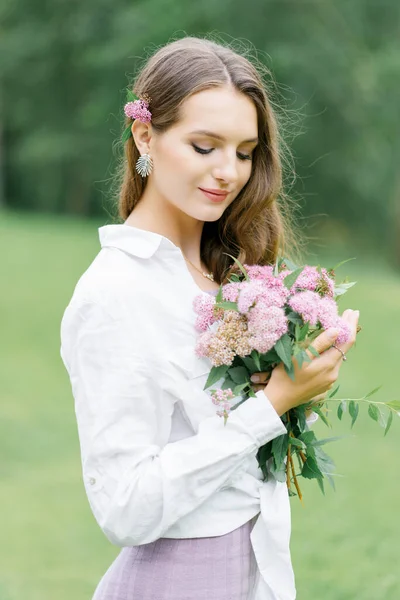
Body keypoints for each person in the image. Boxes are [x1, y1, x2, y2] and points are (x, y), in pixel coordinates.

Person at [60, 36, 359, 600]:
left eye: (245, 152)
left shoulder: (229, 276)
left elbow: (241, 459)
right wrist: (274, 404)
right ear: (145, 134)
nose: (229, 172)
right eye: (205, 146)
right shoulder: (115, 293)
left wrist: (307, 369)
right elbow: (124, 508)